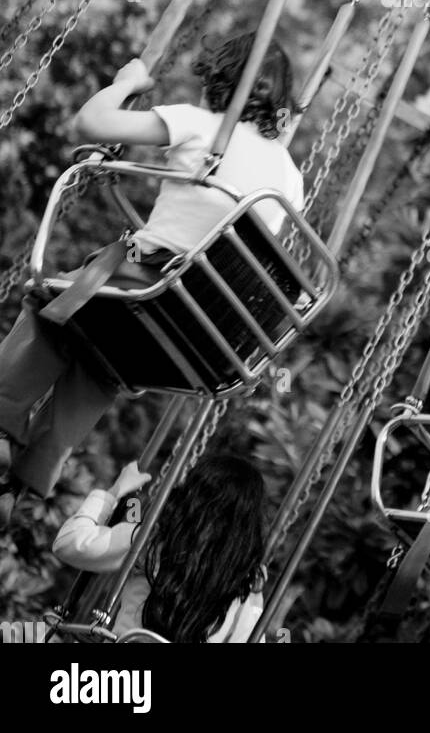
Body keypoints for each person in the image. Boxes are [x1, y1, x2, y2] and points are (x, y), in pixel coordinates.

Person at [0, 31, 303, 520]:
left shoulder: (202, 126)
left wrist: (127, 81)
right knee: (103, 363)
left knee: (53, 311)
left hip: (153, 290)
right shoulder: (290, 176)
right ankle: (27, 479)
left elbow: (90, 121)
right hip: (210, 334)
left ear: (217, 81)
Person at [52, 453, 270, 643]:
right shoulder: (246, 583)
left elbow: (70, 543)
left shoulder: (154, 541)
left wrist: (114, 491)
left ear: (192, 498)